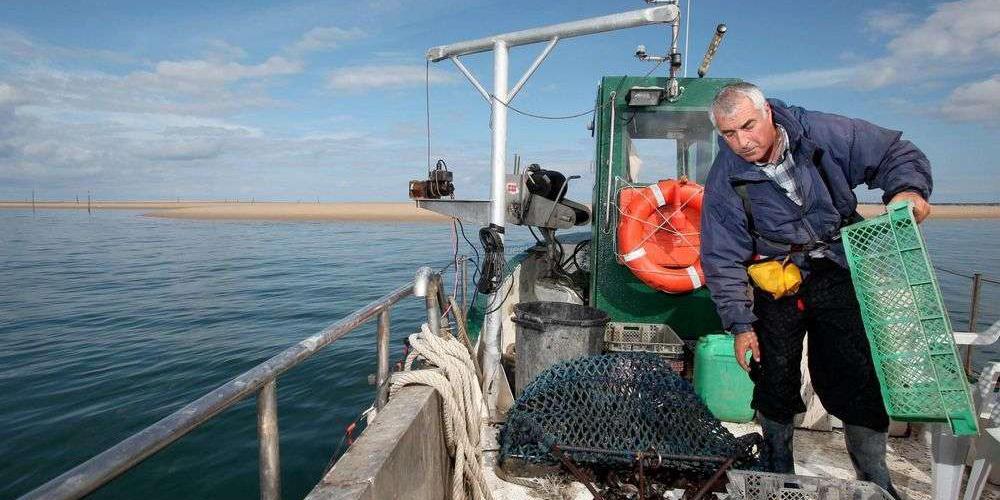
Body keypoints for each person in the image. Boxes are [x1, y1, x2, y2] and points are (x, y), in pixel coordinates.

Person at [699, 81, 932, 498]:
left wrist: (907, 190)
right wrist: (740, 325)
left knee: (855, 372)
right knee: (773, 375)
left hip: (839, 265)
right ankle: (778, 473)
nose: (742, 142)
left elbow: (894, 151)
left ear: (768, 113)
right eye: (729, 134)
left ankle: (875, 478)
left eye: (748, 126)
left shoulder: (823, 134)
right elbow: (721, 256)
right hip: (777, 278)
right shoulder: (724, 179)